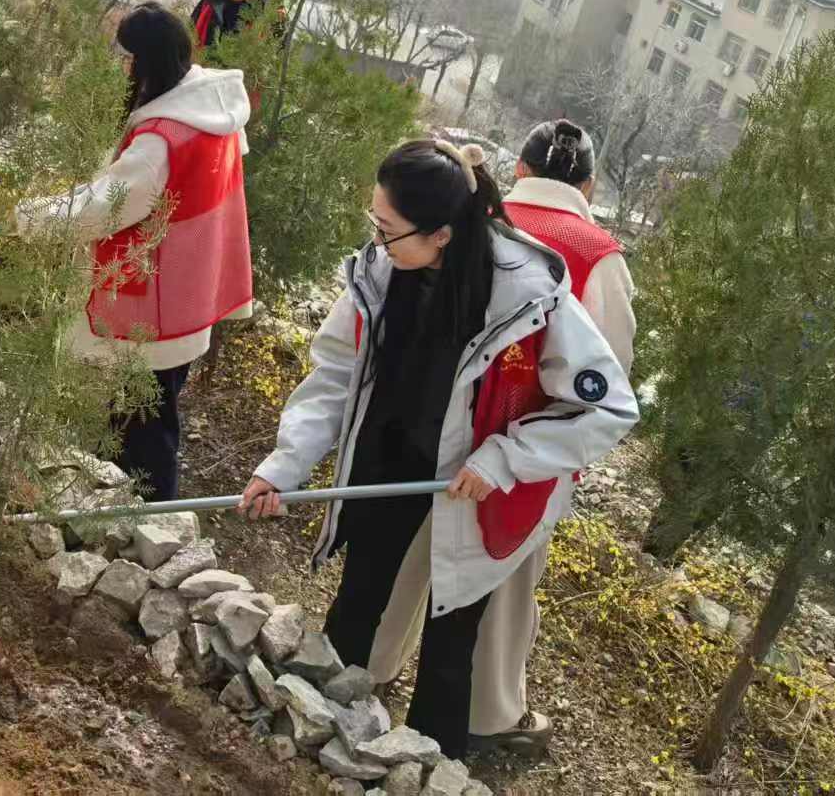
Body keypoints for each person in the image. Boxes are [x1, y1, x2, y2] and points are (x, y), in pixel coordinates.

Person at [237, 138, 637, 761]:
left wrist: (504, 459)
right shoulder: (380, 269)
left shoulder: (527, 292)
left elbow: (608, 408)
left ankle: (430, 766)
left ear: (442, 234)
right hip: (391, 461)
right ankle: (320, 740)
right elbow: (335, 377)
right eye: (374, 221)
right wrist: (284, 467)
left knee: (452, 643)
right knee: (356, 604)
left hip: (476, 490)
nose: (376, 241)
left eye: (388, 229)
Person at [15, 2, 253, 499]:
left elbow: (106, 206)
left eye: (126, 57)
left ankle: (147, 517)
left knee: (144, 423)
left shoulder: (161, 140)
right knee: (148, 410)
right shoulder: (214, 108)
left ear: (145, 62)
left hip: (156, 305)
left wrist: (31, 217)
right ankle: (122, 502)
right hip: (193, 286)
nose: (121, 66)